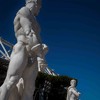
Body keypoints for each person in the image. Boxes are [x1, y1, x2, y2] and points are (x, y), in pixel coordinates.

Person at [0, 0, 45, 100]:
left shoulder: (35, 20)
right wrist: (30, 33)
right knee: (12, 80)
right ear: (35, 3)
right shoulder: (24, 10)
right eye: (40, 7)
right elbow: (26, 26)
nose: (39, 9)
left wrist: (41, 50)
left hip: (33, 54)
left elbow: (37, 38)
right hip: (22, 48)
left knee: (30, 88)